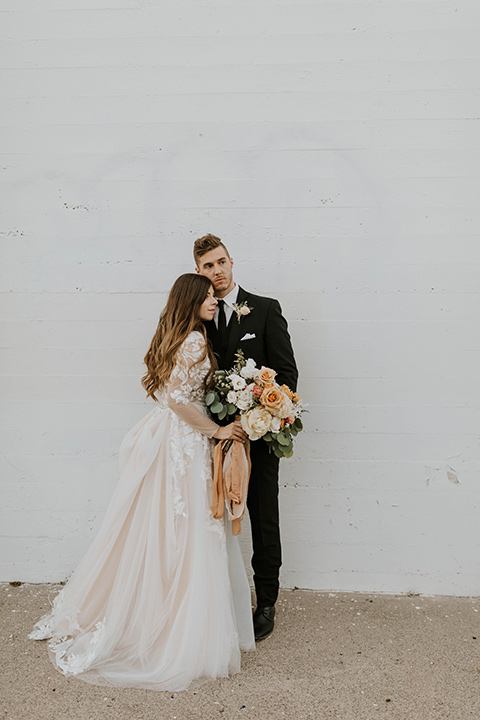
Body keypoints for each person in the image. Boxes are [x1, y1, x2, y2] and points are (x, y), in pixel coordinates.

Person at [29, 273, 255, 691]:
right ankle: (177, 625)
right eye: (206, 297)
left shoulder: (179, 335)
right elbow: (177, 400)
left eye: (213, 295)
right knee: (188, 529)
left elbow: (170, 397)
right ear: (189, 301)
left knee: (164, 525)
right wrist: (218, 431)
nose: (213, 300)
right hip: (185, 443)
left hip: (169, 439)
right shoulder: (195, 341)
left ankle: (159, 608)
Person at [195, 234, 298, 641]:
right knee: (210, 518)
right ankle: (216, 598)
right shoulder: (197, 314)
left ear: (232, 262)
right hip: (210, 437)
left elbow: (287, 377)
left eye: (221, 262)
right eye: (207, 266)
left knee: (262, 517)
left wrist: (259, 418)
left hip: (256, 438)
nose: (216, 271)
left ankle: (266, 601)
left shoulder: (266, 310)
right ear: (198, 270)